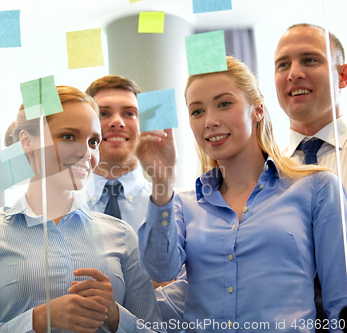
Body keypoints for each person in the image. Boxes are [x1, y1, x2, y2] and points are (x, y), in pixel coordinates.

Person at [138, 56, 347, 332]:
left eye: (224, 104)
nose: (210, 121)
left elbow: (340, 303)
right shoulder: (181, 203)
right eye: (197, 111)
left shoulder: (317, 186)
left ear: (257, 109)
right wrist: (161, 183)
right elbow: (160, 269)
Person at [0, 86, 165, 333]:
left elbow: (155, 330)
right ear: (27, 142)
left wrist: (115, 315)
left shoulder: (122, 236)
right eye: (68, 136)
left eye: (93, 141)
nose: (86, 153)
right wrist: (37, 320)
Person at [81, 75, 186, 332]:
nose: (117, 122)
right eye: (103, 113)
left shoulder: (176, 205)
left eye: (129, 113)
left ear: (145, 125)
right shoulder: (62, 206)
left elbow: (183, 299)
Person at [274, 23, 347, 327]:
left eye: (310, 60)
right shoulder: (261, 168)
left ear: (342, 75)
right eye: (283, 65)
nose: (293, 73)